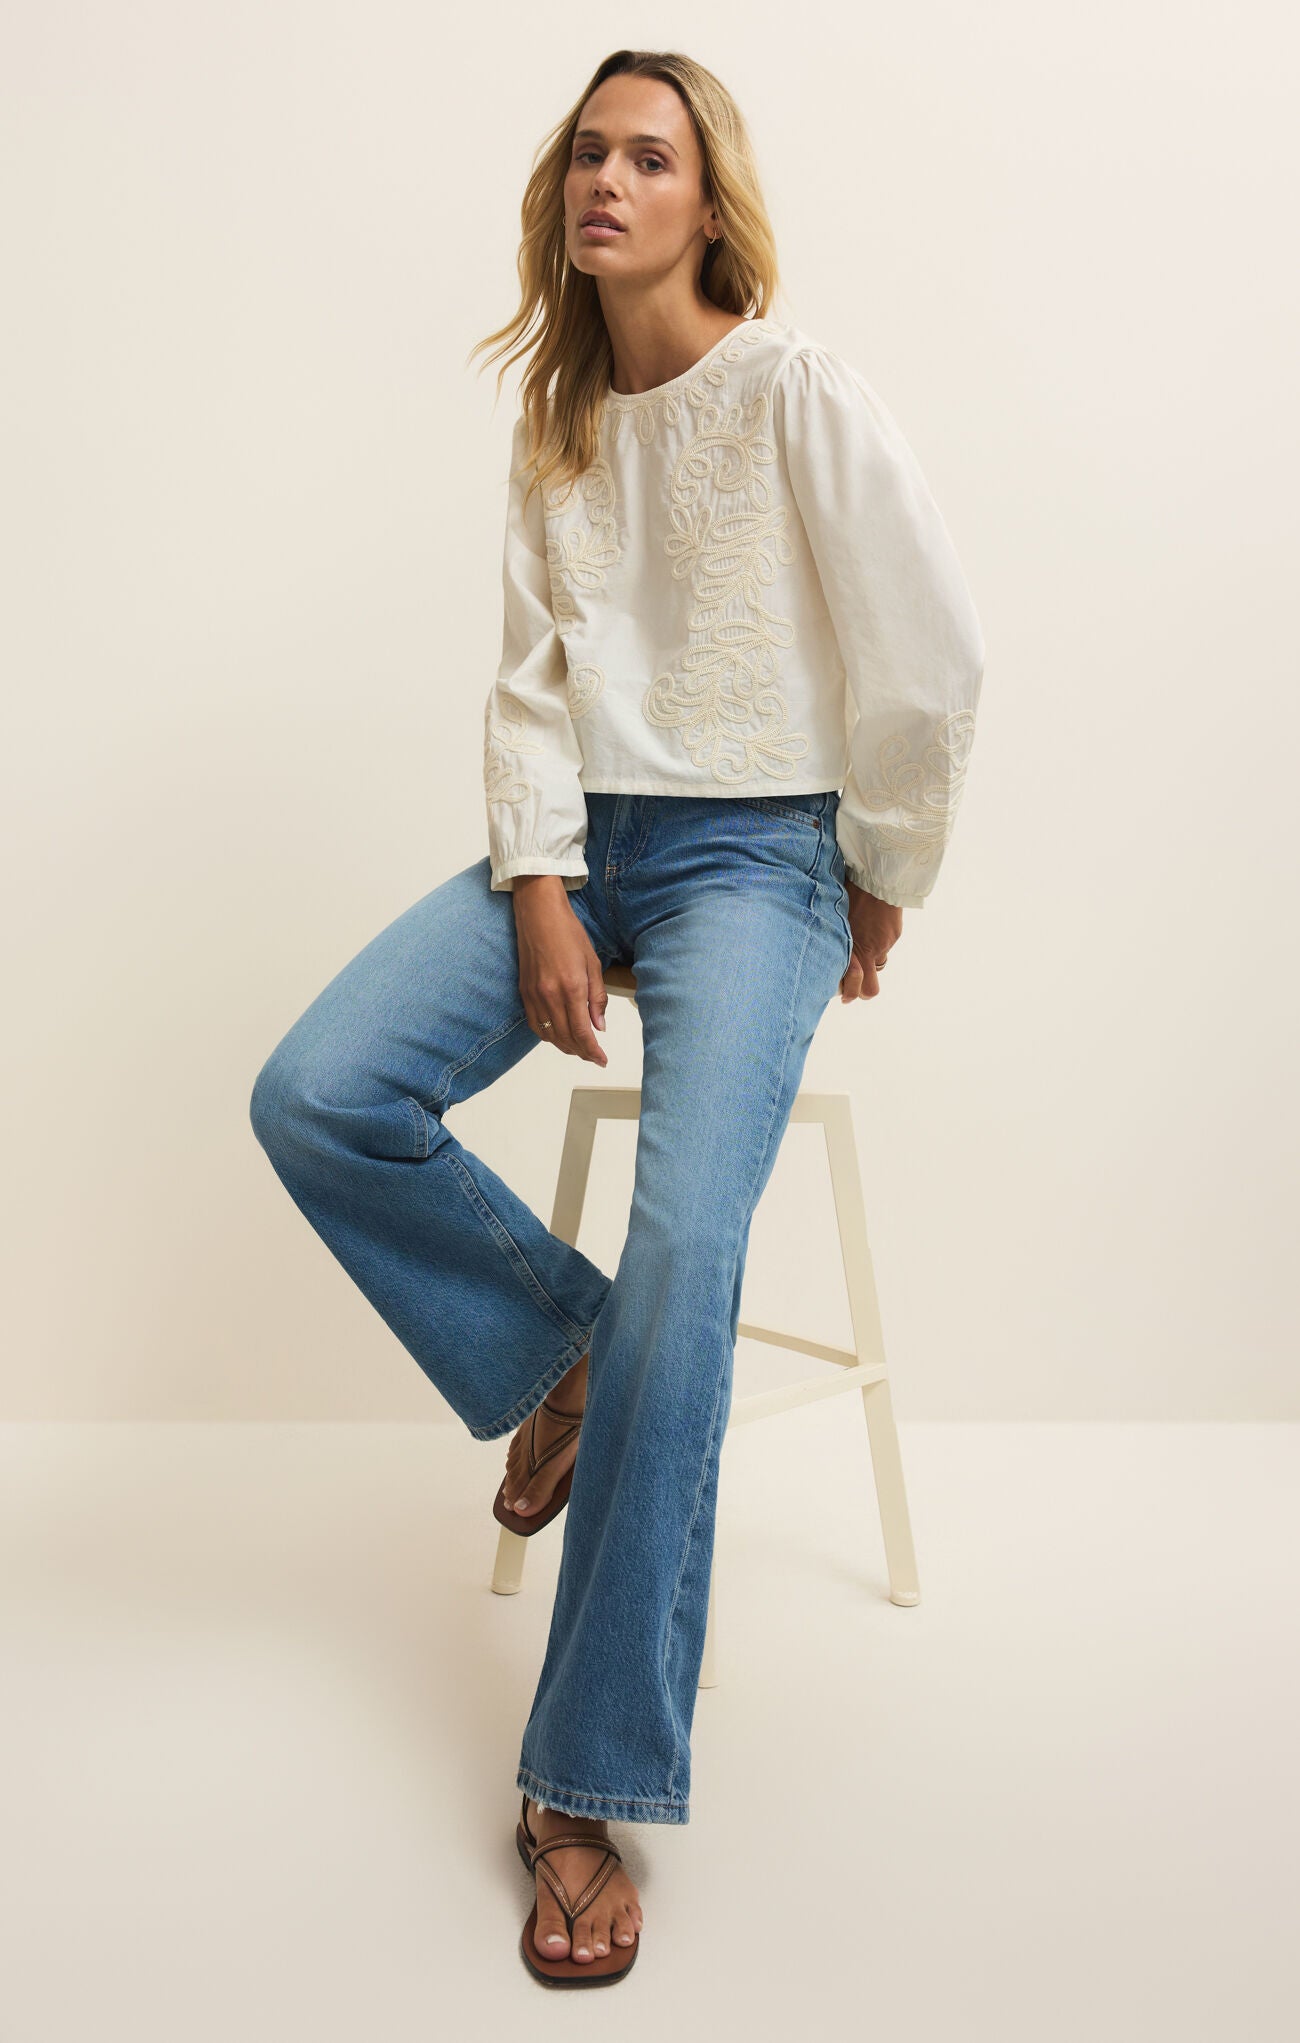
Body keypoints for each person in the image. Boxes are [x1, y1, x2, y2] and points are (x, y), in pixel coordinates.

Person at [249, 47, 985, 1989]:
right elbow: (524, 690)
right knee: (318, 1086)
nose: (605, 181)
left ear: (703, 199)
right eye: (585, 152)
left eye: (645, 156)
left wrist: (882, 860)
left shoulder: (792, 387)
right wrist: (541, 880)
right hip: (594, 837)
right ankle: (555, 1349)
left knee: (684, 1244)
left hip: (762, 855)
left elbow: (927, 644)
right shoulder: (558, 423)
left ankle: (576, 1781)